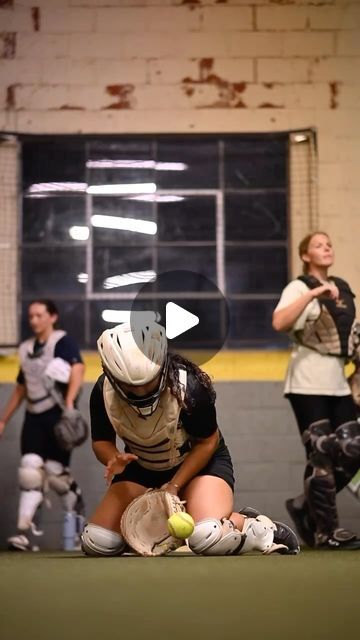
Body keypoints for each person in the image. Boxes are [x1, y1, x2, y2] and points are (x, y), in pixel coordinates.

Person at [81, 321, 299, 557]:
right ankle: (150, 534)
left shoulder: (189, 387)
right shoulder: (103, 393)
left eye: (148, 382)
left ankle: (255, 527)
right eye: (131, 386)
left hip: (199, 465)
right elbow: (101, 441)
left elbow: (207, 442)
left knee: (206, 537)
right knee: (98, 542)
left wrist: (174, 486)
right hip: (142, 467)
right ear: (111, 374)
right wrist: (113, 457)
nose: (142, 393)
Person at [272, 231, 360, 549]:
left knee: (353, 450)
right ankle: (326, 532)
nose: (327, 248)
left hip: (338, 382)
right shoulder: (299, 287)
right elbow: (279, 322)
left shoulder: (344, 288)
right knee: (320, 455)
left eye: (329, 244)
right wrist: (313, 294)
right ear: (306, 255)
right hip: (307, 382)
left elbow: (348, 335)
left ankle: (302, 505)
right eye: (319, 245)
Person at [0, 299, 85, 551]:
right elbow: (21, 387)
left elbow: (77, 368)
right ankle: (24, 534)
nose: (34, 320)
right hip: (33, 417)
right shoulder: (25, 348)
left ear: (52, 317)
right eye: (31, 316)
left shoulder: (62, 341)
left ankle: (76, 534)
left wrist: (70, 403)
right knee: (29, 471)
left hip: (57, 415)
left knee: (56, 475)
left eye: (39, 315)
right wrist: (4, 419)